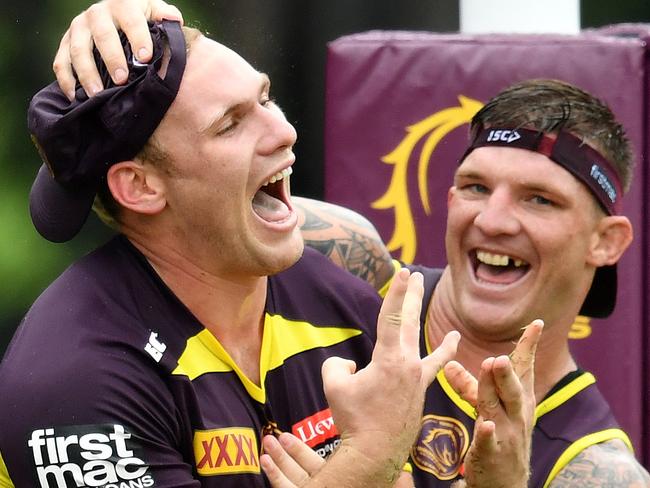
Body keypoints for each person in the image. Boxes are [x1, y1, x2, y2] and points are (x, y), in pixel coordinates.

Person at [0, 6, 541, 488]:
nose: (283, 131)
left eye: (265, 98)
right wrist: (370, 457)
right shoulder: (78, 384)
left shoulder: (338, 299)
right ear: (140, 187)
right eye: (230, 125)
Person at [292, 78, 650, 488]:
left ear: (605, 241)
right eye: (476, 188)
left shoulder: (595, 470)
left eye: (539, 199)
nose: (491, 221)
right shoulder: (350, 269)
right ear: (451, 200)